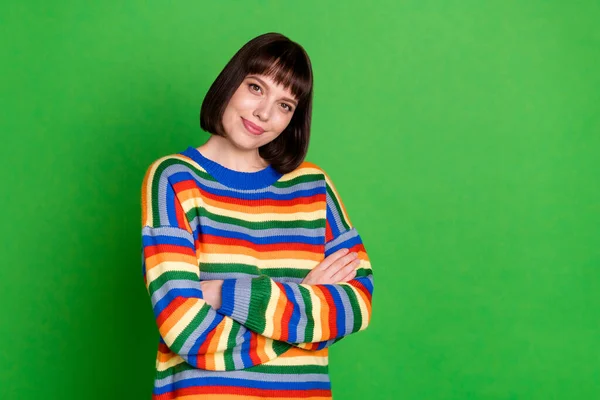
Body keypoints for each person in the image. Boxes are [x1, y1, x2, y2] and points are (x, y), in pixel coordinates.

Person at [140, 32, 374, 400]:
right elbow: (184, 329)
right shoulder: (174, 180)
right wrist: (301, 311)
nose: (264, 113)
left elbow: (356, 304)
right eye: (256, 87)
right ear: (230, 83)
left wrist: (223, 293)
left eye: (285, 105)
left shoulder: (314, 187)